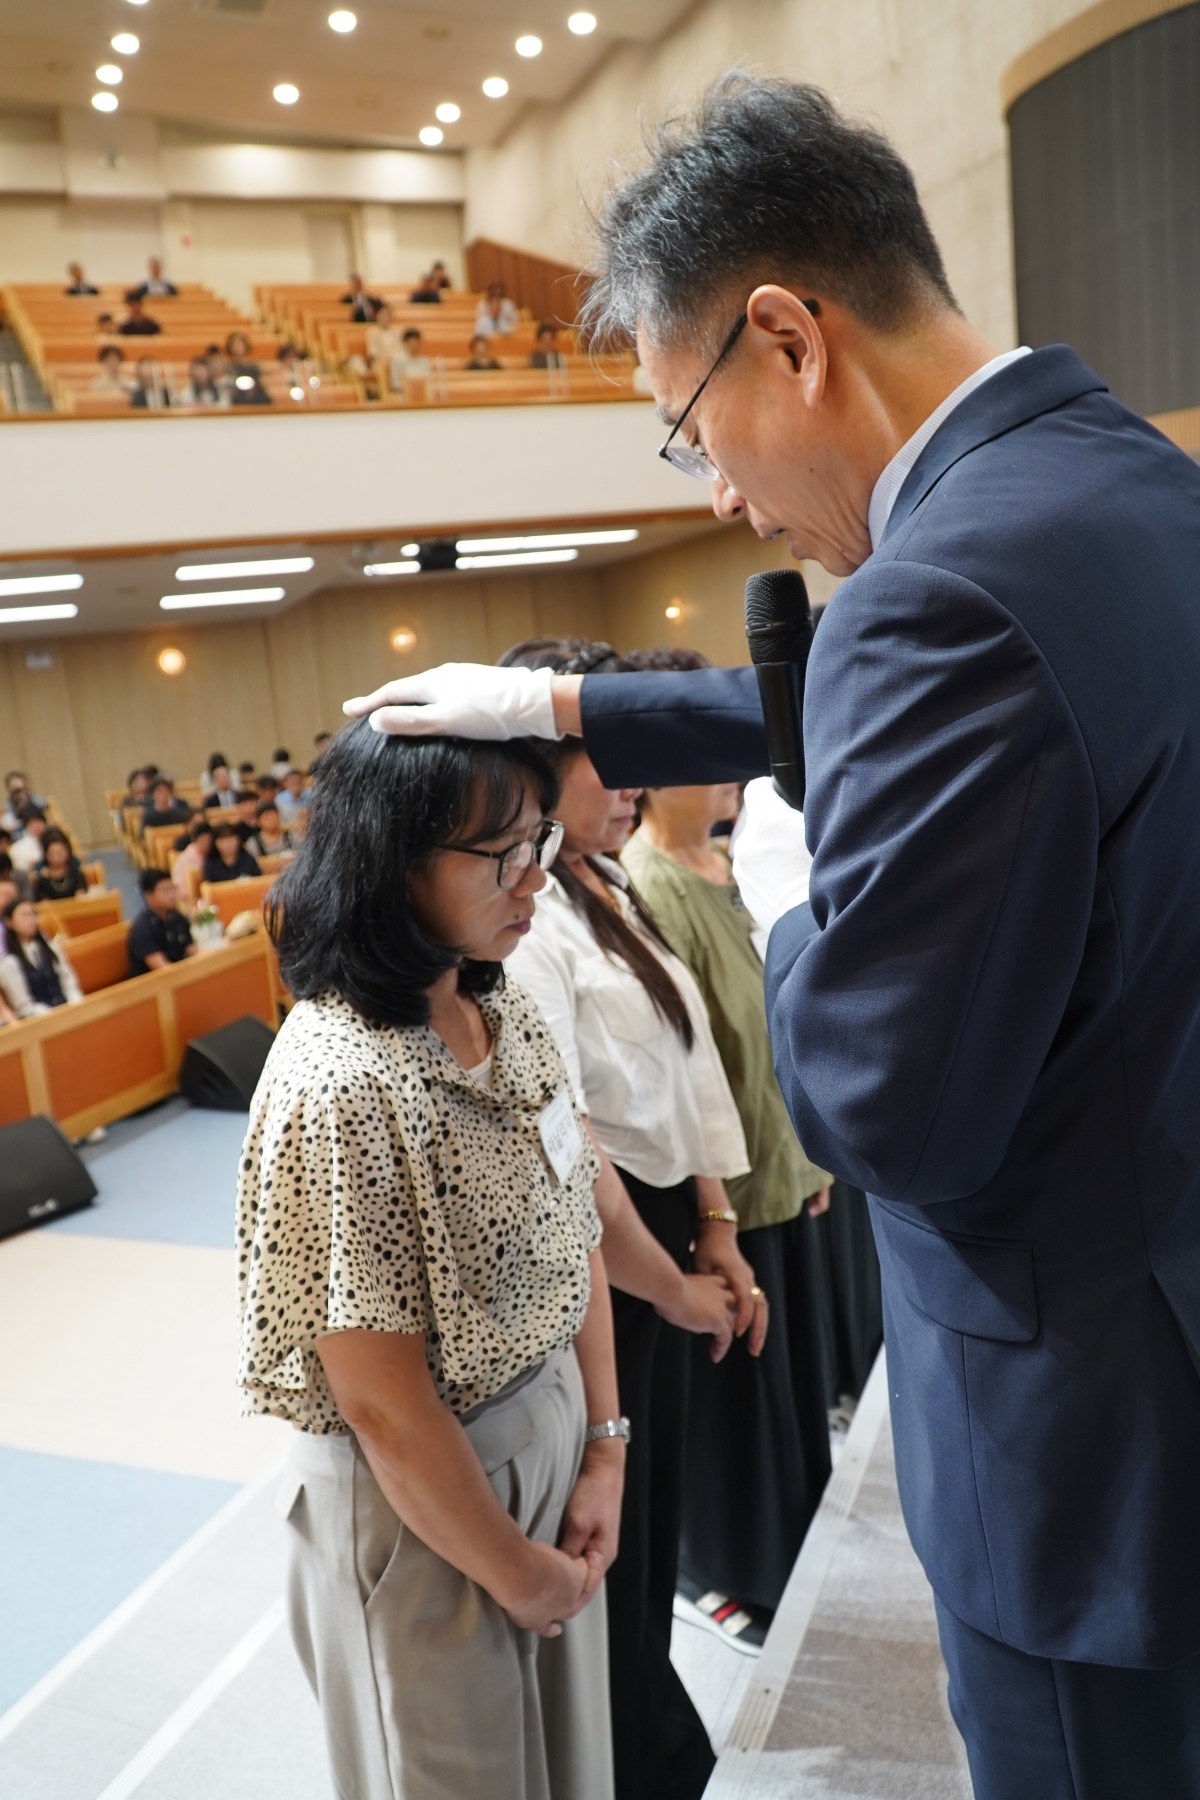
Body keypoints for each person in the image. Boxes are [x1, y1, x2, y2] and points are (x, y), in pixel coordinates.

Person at [344, 72, 1200, 1799]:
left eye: (688, 427)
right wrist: (575, 706)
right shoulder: (1133, 484)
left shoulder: (927, 599)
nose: (722, 495)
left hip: (1078, 1449)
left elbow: (887, 1114)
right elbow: (1002, 715)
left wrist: (791, 896)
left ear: (789, 339)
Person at [239, 719, 621, 1800]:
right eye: (502, 855)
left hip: (545, 1435)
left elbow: (576, 1226)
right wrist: (518, 1572)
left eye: (540, 843)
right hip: (430, 1501)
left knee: (570, 1766)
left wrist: (604, 1445)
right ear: (394, 863)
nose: (534, 879)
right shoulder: (340, 1082)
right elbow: (385, 1406)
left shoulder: (495, 1000)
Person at [500, 638, 762, 1800]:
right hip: (607, 1254)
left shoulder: (600, 888)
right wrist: (671, 1280)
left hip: (664, 1223)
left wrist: (718, 1217)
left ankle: (648, 1743)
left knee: (647, 1527)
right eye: (609, 761)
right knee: (610, 1533)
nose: (634, 786)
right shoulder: (527, 921)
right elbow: (573, 1145)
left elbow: (687, 1061)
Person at [621, 720, 834, 1636]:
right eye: (699, 762)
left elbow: (769, 1018)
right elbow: (686, 1059)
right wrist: (716, 1207)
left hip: (773, 1162)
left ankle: (789, 1550)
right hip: (721, 1188)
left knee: (786, 1389)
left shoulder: (722, 865)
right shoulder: (648, 882)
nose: (725, 779)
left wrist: (806, 1153)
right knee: (733, 1401)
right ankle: (725, 1572)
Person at [0, 900, 84, 1017]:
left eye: (32, 914)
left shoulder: (51, 948)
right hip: (41, 1018)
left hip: (68, 1008)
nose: (31, 920)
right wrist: (53, 1015)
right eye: (24, 915)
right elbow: (24, 1007)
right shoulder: (9, 962)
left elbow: (68, 982)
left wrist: (74, 1004)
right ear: (9, 922)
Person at [128, 869, 195, 976]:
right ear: (149, 896)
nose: (172, 895)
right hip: (156, 982)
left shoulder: (177, 917)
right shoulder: (143, 928)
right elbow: (162, 969)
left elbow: (191, 949)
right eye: (166, 891)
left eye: (173, 889)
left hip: (180, 975)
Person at [33, 832, 88, 903]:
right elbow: (44, 903)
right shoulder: (42, 880)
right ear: (47, 855)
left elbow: (81, 897)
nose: (57, 856)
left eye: (60, 852)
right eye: (53, 853)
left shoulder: (76, 874)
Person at [171, 819, 214, 899]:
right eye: (203, 841)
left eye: (209, 841)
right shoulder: (185, 858)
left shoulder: (214, 855)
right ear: (195, 840)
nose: (206, 844)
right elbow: (177, 884)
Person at [225, 331, 271, 405]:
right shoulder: (227, 367)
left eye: (240, 343)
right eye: (235, 343)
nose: (238, 346)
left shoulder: (253, 366)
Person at [10, 811, 49, 875]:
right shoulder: (17, 846)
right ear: (28, 825)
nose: (38, 827)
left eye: (41, 823)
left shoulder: (48, 843)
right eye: (35, 823)